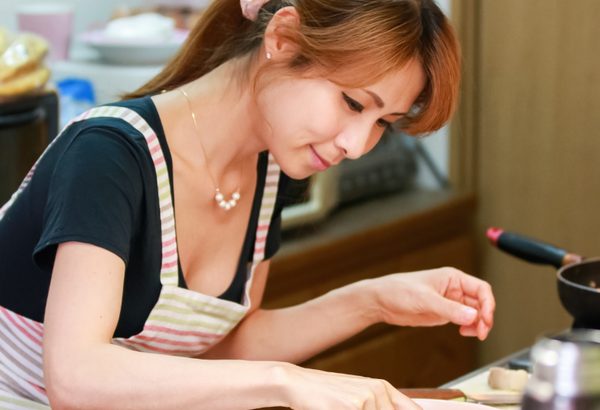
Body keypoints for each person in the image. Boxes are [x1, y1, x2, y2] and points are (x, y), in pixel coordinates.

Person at [0, 0, 495, 408]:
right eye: (353, 103)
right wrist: (284, 380)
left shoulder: (272, 167)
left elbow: (219, 346)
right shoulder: (110, 155)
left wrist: (374, 301)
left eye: (383, 122)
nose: (357, 144)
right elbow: (76, 376)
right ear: (282, 38)